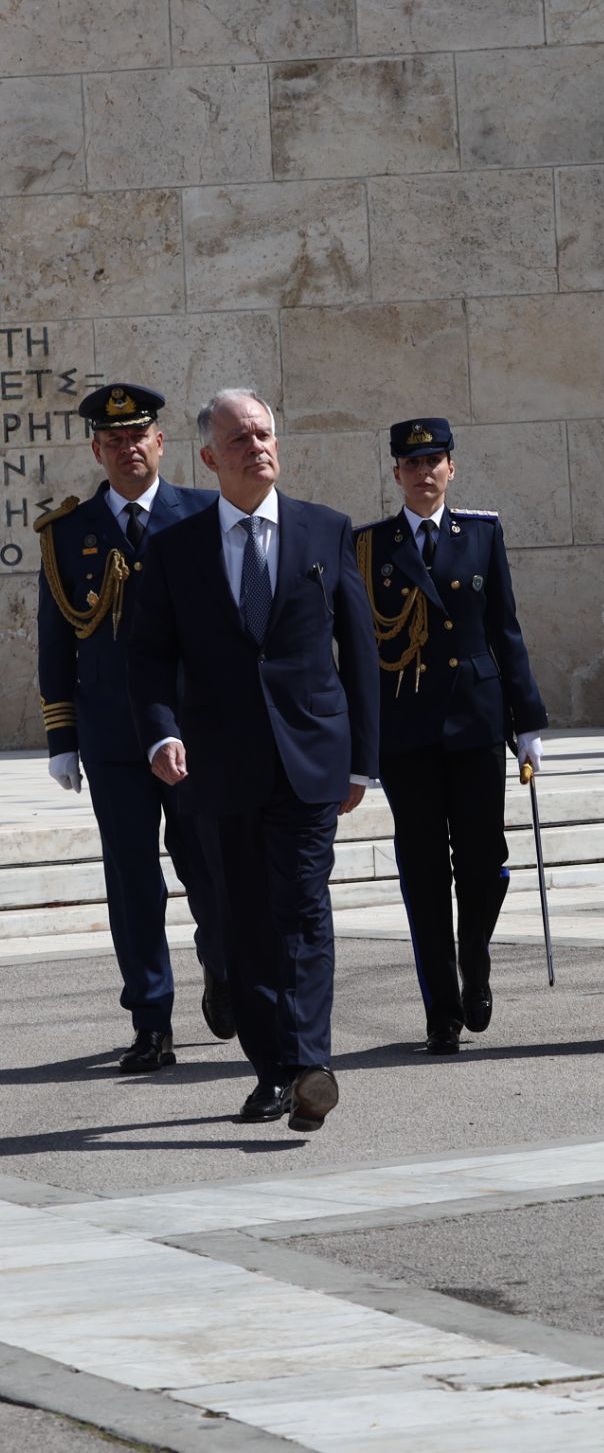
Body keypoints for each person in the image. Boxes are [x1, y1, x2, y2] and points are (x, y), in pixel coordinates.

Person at [125, 389, 379, 1133]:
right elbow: (148, 654)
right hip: (220, 764)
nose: (256, 447)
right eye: (239, 439)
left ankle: (309, 1067)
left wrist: (362, 761)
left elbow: (359, 650)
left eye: (264, 433)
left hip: (310, 758)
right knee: (242, 924)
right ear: (208, 458)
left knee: (302, 910)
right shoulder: (175, 550)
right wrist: (160, 731)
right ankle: (272, 1071)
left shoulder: (324, 531)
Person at [34, 382, 228, 1074]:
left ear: (160, 442)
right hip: (113, 735)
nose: (127, 448)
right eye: (112, 439)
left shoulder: (204, 514)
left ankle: (222, 960)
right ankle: (151, 1021)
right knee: (133, 882)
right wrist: (62, 739)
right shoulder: (67, 534)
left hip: (195, 729)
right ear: (96, 449)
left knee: (209, 865)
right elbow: (56, 644)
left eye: (138, 435)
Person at [355, 418, 548, 1056]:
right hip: (406, 727)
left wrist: (528, 724)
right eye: (412, 465)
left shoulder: (481, 534)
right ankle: (441, 1009)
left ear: (452, 468)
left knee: (484, 862)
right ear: (396, 475)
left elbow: (506, 630)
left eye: (435, 461)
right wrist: (357, 741)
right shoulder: (370, 547)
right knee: (423, 873)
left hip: (476, 720)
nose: (425, 473)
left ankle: (476, 958)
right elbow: (353, 652)